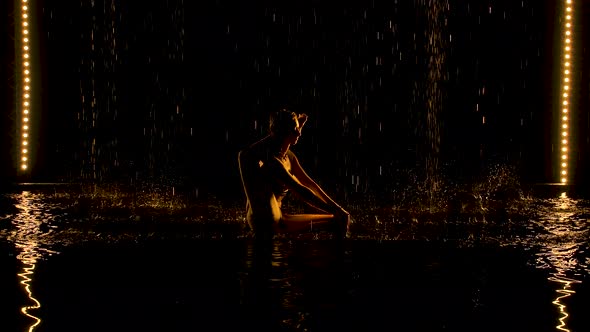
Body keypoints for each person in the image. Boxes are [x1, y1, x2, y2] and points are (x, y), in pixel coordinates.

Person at [238, 109, 350, 238]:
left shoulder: (289, 156)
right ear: (284, 132)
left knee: (339, 219)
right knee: (338, 222)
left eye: (298, 128)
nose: (299, 133)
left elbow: (310, 184)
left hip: (280, 217)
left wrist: (338, 209)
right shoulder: (272, 162)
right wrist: (336, 211)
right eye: (295, 129)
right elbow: (302, 191)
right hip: (268, 224)